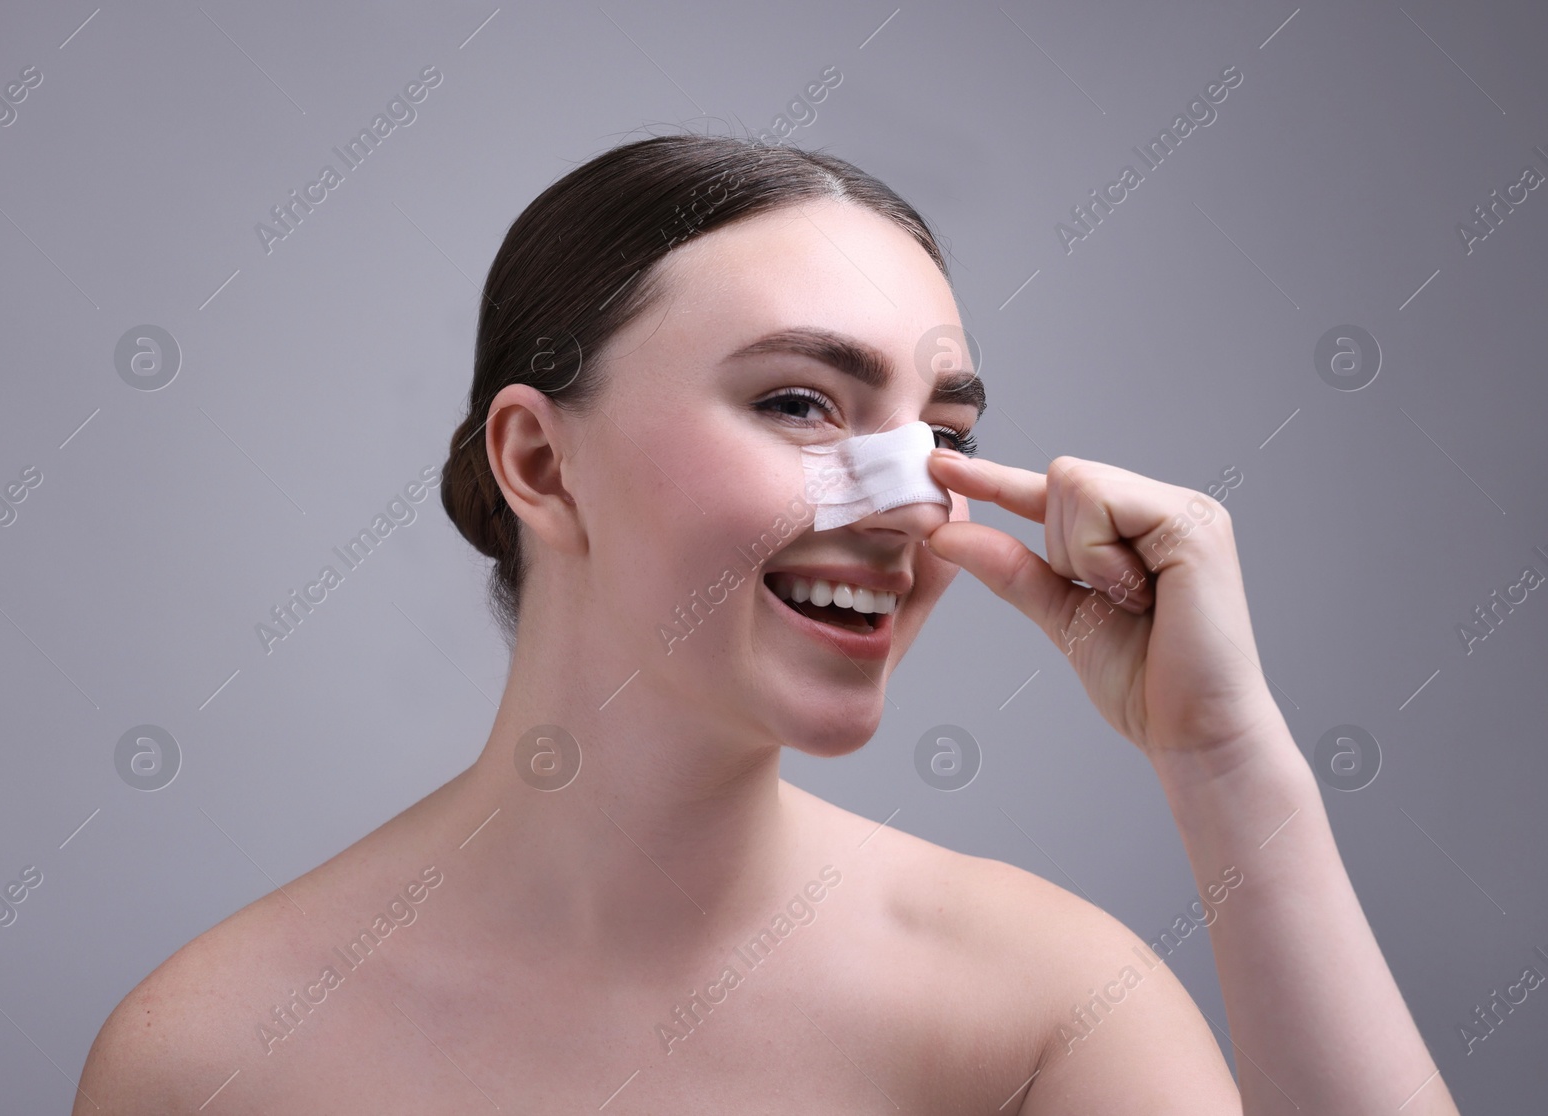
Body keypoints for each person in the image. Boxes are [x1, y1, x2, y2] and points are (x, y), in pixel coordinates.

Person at [74, 133, 1460, 1113]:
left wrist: (1227, 769)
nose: (911, 502)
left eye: (947, 434)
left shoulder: (1044, 1008)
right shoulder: (213, 1055)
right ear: (541, 465)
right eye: (801, 402)